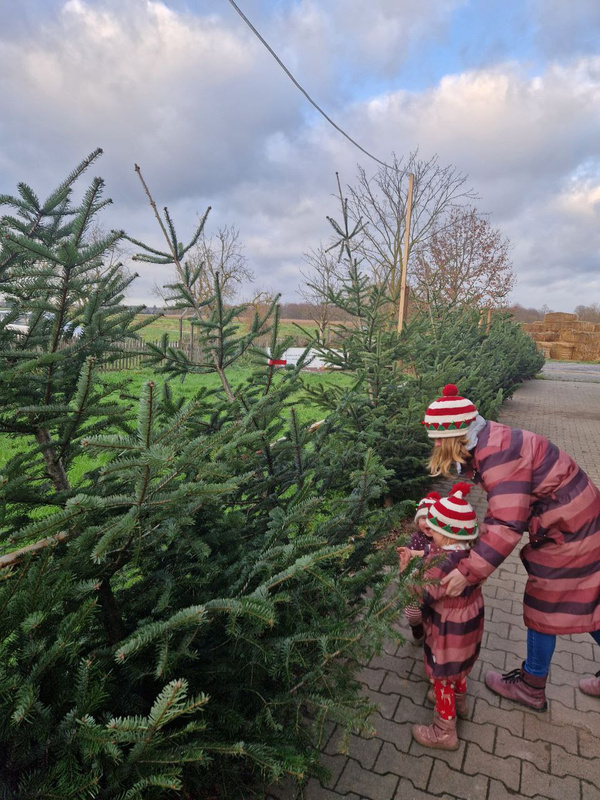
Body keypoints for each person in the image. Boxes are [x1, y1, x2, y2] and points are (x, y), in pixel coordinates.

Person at [421, 383, 600, 710]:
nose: (434, 445)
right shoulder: (489, 441)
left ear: (453, 437)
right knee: (585, 598)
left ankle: (531, 687)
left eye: (436, 440)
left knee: (544, 601)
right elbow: (503, 506)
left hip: (570, 526)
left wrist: (470, 570)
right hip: (576, 516)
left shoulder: (497, 454)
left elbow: (507, 522)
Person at [409, 483, 484, 751]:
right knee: (459, 666)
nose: (430, 534)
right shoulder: (472, 557)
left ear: (447, 536)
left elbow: (422, 593)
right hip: (470, 625)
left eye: (435, 531)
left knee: (441, 675)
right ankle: (460, 701)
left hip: (448, 629)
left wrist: (407, 571)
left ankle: (444, 730)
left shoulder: (440, 564)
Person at [397, 491, 439, 643]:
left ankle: (433, 632)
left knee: (434, 612)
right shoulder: (415, 538)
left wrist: (421, 552)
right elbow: (407, 561)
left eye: (432, 519)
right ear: (417, 521)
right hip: (415, 583)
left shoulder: (441, 538)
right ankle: (417, 627)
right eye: (423, 518)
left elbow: (442, 553)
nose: (428, 523)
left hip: (434, 584)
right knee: (413, 614)